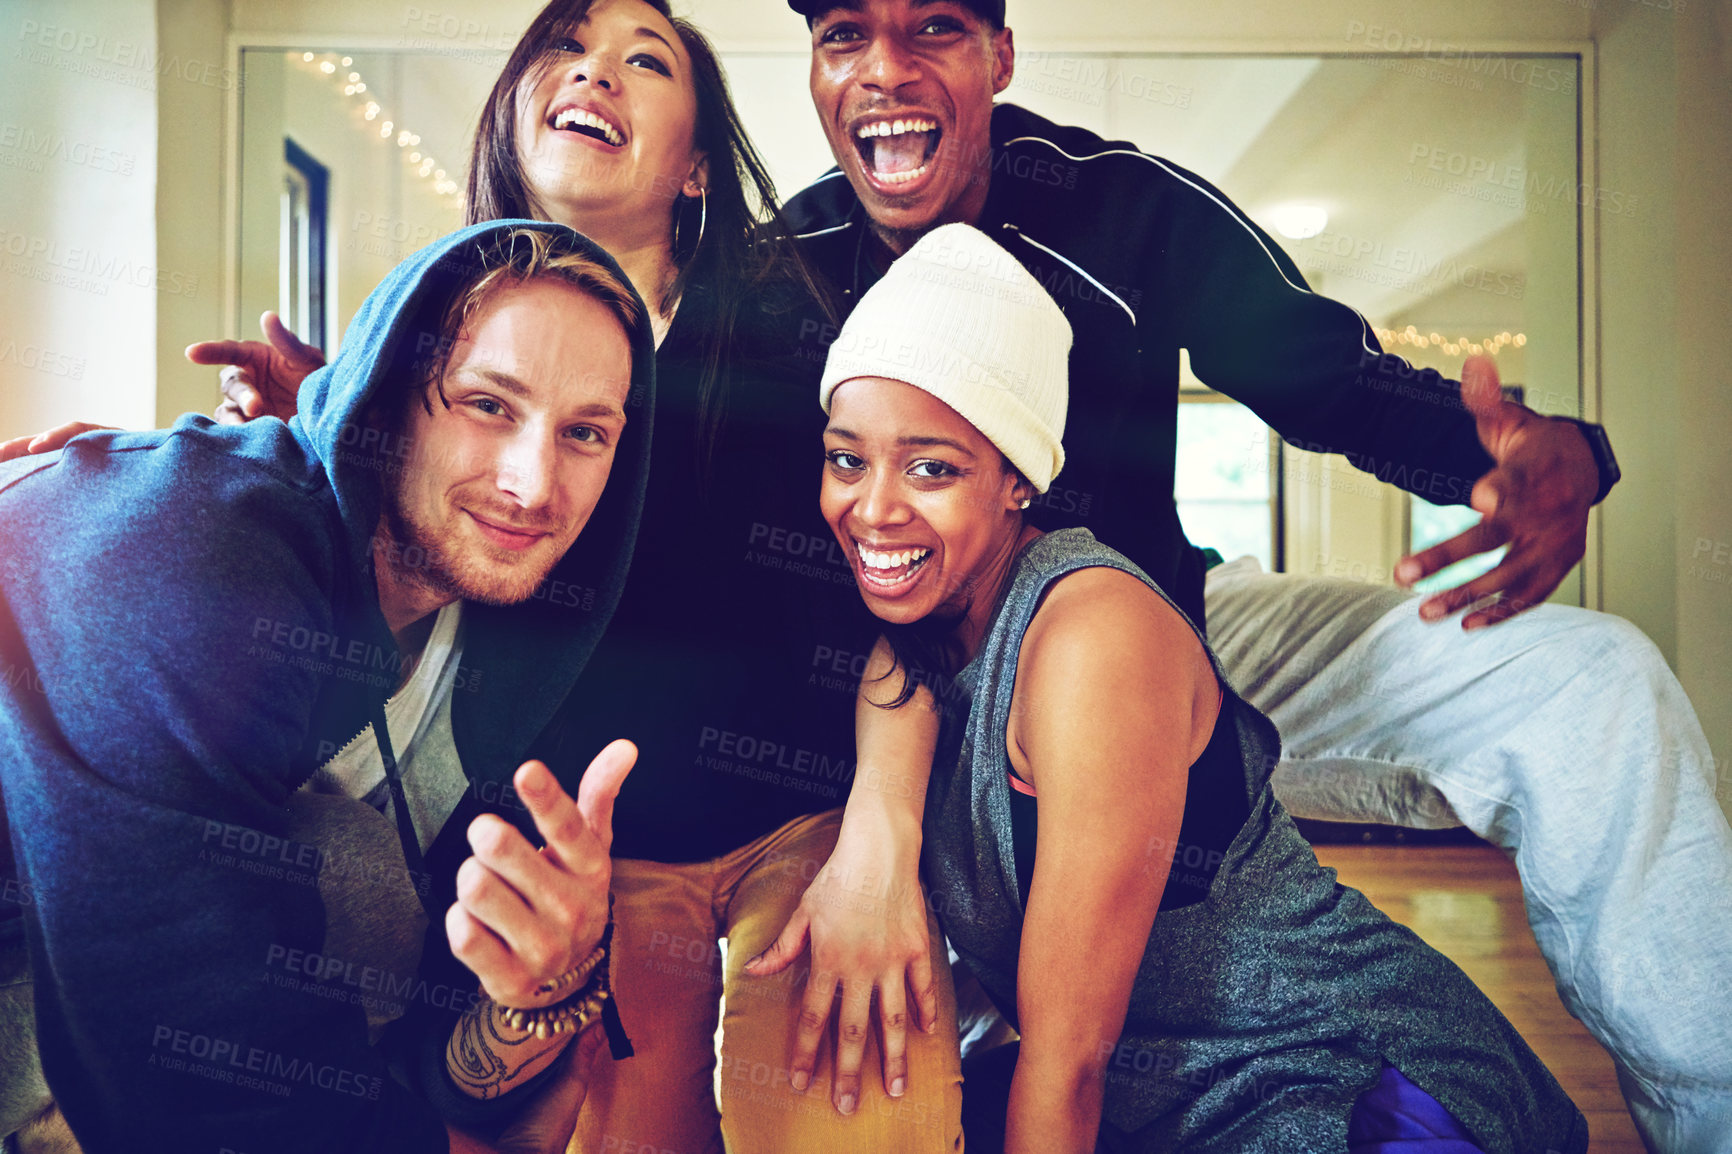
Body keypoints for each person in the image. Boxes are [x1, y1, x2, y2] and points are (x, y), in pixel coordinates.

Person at [764, 1, 1732, 1149]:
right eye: (844, 36)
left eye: (930, 28)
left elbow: (1327, 379)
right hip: (940, 684)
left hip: (1163, 625)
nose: (885, 69)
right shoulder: (782, 268)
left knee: (1594, 680)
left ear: (998, 54)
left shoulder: (1123, 206)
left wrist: (1503, 454)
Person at [1, 2, 966, 1149]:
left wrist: (880, 841)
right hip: (601, 855)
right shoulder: (235, 537)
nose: (527, 482)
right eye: (484, 403)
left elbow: (909, 597)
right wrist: (160, 472)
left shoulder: (796, 350)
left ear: (699, 165)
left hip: (785, 822)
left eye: (642, 61)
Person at [812, 220, 1591, 1154]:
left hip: (1341, 1082)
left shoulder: (1092, 635)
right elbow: (891, 683)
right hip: (1164, 1105)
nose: (873, 507)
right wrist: (876, 836)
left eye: (932, 466)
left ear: (1017, 479)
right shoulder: (920, 636)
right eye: (847, 457)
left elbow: (1067, 1066)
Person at [0, 222, 656, 1153]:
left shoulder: (512, 654)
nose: (532, 483)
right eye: (488, 405)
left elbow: (451, 1061)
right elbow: (195, 1069)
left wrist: (541, 991)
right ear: (387, 401)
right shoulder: (190, 550)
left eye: (585, 433)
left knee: (357, 877)